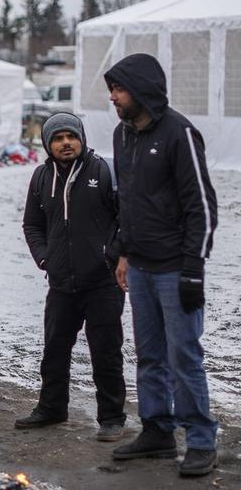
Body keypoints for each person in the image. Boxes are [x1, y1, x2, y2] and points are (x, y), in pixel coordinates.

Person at [103, 54, 219, 476]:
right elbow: (128, 203)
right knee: (149, 354)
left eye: (119, 89)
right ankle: (157, 430)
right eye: (111, 90)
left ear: (142, 89)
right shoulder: (122, 135)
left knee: (183, 354)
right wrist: (124, 252)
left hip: (175, 269)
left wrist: (193, 269)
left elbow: (202, 208)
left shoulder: (180, 133)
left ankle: (202, 440)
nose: (113, 97)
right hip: (141, 266)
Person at [17, 112, 127, 441]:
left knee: (105, 351)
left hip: (102, 282)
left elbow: (126, 218)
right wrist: (44, 257)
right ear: (48, 144)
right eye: (58, 139)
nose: (66, 143)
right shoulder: (40, 177)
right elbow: (32, 224)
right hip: (61, 283)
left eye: (71, 137)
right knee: (54, 349)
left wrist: (112, 253)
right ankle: (52, 408)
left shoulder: (103, 171)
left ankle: (111, 417)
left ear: (81, 138)